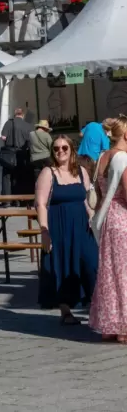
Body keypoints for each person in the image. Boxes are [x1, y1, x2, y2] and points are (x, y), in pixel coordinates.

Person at [35, 135, 99, 326]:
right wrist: (44, 232)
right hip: (58, 225)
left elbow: (88, 200)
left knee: (92, 263)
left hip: (81, 224)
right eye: (56, 149)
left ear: (71, 149)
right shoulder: (48, 172)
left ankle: (95, 305)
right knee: (62, 264)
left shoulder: (81, 171)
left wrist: (94, 220)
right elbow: (41, 203)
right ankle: (66, 310)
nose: (60, 151)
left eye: (64, 148)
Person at [91, 116, 127, 340]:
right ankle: (124, 327)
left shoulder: (102, 157)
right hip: (123, 218)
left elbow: (98, 190)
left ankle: (111, 325)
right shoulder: (122, 158)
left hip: (107, 218)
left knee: (111, 272)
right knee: (124, 273)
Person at [0, 107, 33, 195]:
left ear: (14, 114)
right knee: (20, 176)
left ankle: (7, 201)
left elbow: (3, 137)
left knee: (7, 176)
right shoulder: (27, 125)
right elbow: (30, 140)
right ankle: (19, 200)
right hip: (22, 153)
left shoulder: (8, 123)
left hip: (9, 153)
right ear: (23, 115)